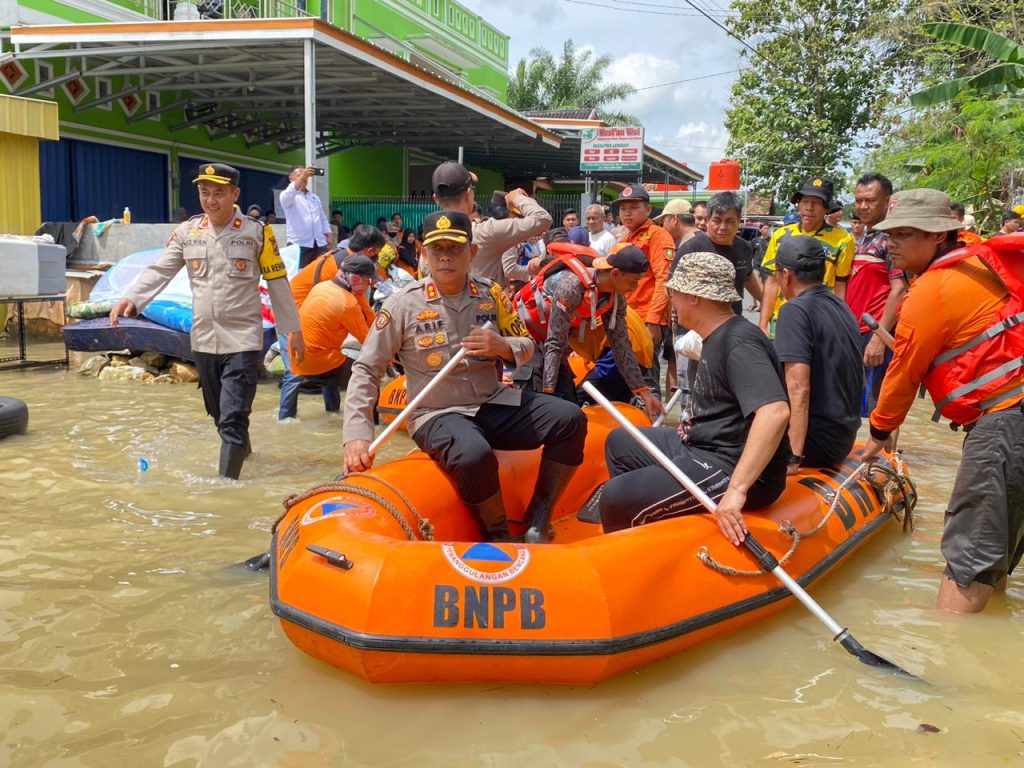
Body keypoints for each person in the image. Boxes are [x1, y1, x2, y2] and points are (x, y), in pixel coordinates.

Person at [344, 211, 587, 543]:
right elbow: (367, 368)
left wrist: (502, 346)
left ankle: (539, 516)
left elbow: (527, 345)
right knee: (474, 454)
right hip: (437, 412)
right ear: (423, 253)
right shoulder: (402, 305)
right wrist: (357, 435)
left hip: (491, 401)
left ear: (472, 253)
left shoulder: (491, 294)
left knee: (570, 418)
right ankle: (498, 534)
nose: (445, 256)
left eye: (455, 248)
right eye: (437, 248)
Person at [862, 188, 1024, 614]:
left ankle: (941, 664)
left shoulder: (931, 291)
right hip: (1014, 415)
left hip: (1005, 422)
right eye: (888, 234)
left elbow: (902, 374)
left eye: (903, 234)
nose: (889, 244)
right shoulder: (981, 261)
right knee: (1000, 544)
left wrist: (878, 431)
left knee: (969, 552)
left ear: (938, 237)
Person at [109, 163, 304, 479]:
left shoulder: (256, 232)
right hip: (203, 339)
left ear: (235, 194)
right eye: (204, 192)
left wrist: (291, 331)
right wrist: (132, 298)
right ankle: (244, 450)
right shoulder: (188, 232)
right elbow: (161, 270)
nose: (211, 200)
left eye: (219, 193)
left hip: (242, 339)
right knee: (219, 414)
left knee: (231, 417)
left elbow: (278, 282)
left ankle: (225, 491)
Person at [597, 252, 791, 543]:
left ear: (695, 297)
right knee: (621, 442)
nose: (672, 304)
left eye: (675, 295)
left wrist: (737, 491)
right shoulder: (715, 334)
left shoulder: (738, 342)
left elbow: (775, 411)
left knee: (615, 496)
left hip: (730, 464)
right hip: (702, 446)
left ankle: (636, 556)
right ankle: (657, 523)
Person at [516, 242, 662, 419]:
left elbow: (621, 346)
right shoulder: (571, 287)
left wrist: (644, 393)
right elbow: (554, 343)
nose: (635, 287)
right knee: (551, 410)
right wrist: (548, 392)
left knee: (571, 410)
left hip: (554, 348)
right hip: (529, 340)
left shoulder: (615, 300)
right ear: (615, 273)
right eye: (633, 282)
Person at [278, 224, 386, 420]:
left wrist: (378, 326)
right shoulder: (344, 273)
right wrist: (385, 341)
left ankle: (331, 412)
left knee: (324, 361)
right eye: (376, 254)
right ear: (370, 251)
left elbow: (363, 306)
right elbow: (363, 322)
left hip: (304, 312)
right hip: (293, 314)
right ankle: (286, 417)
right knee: (295, 371)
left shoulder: (344, 265)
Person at [773, 236, 862, 472]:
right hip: (843, 438)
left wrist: (793, 456)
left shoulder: (794, 310)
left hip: (816, 444)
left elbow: (798, 388)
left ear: (786, 275)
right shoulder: (842, 307)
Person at [758, 178, 855, 337]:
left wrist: (839, 321)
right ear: (798, 204)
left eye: (817, 202)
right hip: (783, 318)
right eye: (805, 201)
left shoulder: (842, 240)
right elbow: (772, 281)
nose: (809, 207)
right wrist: (762, 325)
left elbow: (841, 285)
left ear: (826, 208)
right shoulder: (780, 235)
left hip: (821, 318)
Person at [431, 161, 552, 288]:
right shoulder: (486, 232)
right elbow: (542, 219)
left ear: (436, 199)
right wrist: (517, 197)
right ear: (468, 194)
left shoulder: (430, 241)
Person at [848, 173, 907, 416]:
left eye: (870, 200)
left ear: (888, 201)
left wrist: (879, 338)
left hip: (877, 332)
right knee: (855, 404)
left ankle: (881, 454)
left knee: (879, 405)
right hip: (855, 331)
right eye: (859, 200)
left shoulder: (893, 239)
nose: (863, 206)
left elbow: (900, 289)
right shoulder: (864, 238)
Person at [615, 185, 677, 396]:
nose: (627, 213)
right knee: (628, 377)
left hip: (645, 320)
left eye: (634, 207)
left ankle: (650, 424)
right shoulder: (624, 240)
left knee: (646, 378)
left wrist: (653, 320)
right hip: (626, 320)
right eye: (623, 208)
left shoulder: (658, 236)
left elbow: (664, 278)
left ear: (648, 210)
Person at [288, 254, 376, 397]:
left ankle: (333, 411)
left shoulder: (321, 287)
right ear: (355, 279)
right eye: (367, 280)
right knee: (370, 375)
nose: (369, 285)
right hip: (318, 364)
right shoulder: (347, 303)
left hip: (297, 358)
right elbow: (368, 341)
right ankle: (370, 418)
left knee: (335, 358)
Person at [670, 191, 763, 317]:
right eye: (717, 221)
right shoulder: (692, 247)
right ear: (708, 220)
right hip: (695, 327)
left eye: (729, 221)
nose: (723, 227)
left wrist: (768, 305)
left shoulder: (744, 248)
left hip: (732, 324)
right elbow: (670, 289)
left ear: (739, 221)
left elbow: (748, 277)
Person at [280, 166, 333, 268]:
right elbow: (290, 192)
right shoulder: (287, 195)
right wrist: (303, 175)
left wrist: (328, 233)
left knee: (321, 273)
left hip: (319, 243)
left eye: (306, 176)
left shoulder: (314, 197)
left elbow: (322, 218)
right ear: (291, 178)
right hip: (299, 244)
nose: (304, 178)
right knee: (298, 275)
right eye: (299, 175)